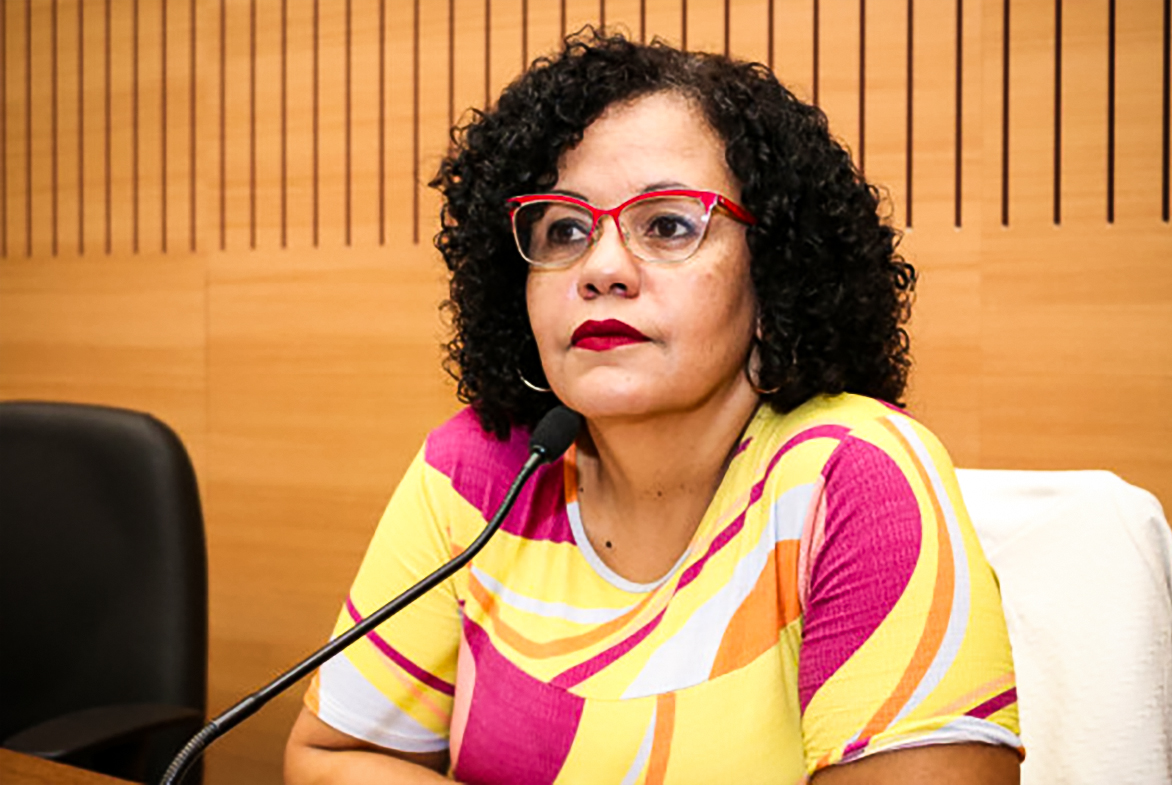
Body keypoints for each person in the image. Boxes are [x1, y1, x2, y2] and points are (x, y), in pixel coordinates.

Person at [285, 30, 1023, 785]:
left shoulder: (854, 476)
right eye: (565, 229)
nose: (602, 268)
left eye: (668, 225)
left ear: (773, 274)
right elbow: (336, 757)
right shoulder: (479, 471)